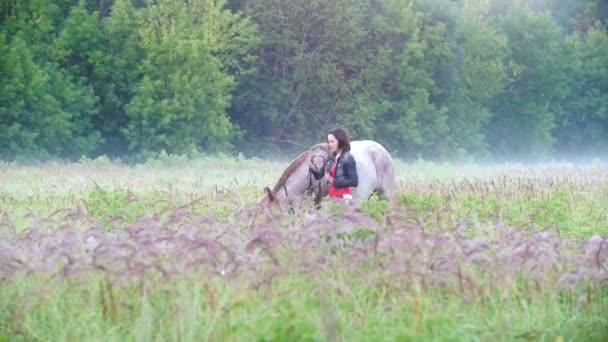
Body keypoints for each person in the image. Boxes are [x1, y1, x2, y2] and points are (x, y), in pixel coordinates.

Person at [310, 128, 358, 199]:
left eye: (332, 142)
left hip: (344, 198)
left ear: (341, 141)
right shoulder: (331, 158)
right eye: (329, 142)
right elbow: (319, 175)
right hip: (333, 197)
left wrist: (333, 180)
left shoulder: (348, 158)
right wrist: (311, 167)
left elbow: (354, 182)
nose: (330, 145)